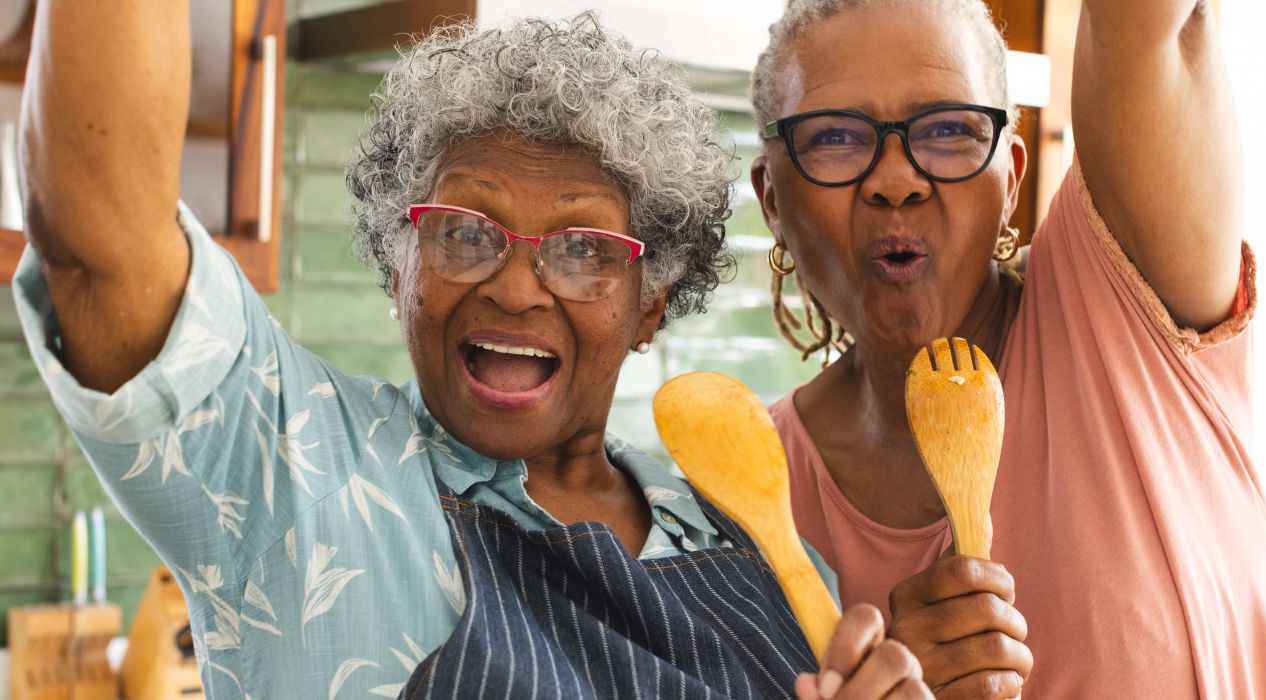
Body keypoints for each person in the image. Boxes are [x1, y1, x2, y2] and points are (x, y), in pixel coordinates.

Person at [16, 4, 961, 697]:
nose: (515, 284)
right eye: (464, 230)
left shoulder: (755, 544)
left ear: (651, 307)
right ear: (398, 268)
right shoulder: (292, 469)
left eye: (585, 248)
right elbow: (95, 236)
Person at [750, 0, 1266, 696]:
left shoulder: (1123, 304)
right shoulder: (752, 491)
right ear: (771, 200)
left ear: (1011, 176)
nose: (895, 181)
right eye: (834, 137)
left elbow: (1155, 22)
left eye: (950, 130)